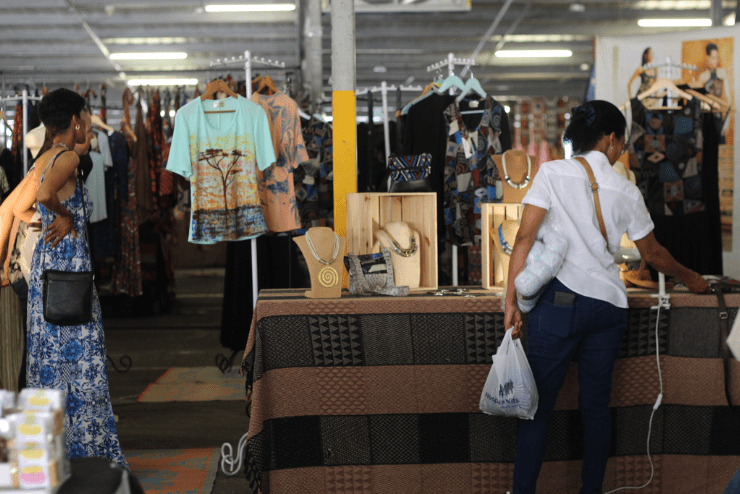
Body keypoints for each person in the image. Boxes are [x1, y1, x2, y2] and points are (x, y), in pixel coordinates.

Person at [504, 100, 710, 494]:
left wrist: (511, 301)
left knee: (536, 408)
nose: (621, 150)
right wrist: (691, 278)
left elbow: (524, 239)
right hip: (610, 308)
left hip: (560, 304)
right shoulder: (624, 188)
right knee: (595, 409)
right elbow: (652, 254)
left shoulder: (551, 173)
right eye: (621, 143)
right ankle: (591, 490)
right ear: (612, 139)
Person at [27, 88, 127, 468]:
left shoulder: (48, 156)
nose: (87, 122)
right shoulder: (66, 157)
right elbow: (44, 192)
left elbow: (28, 198)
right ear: (74, 121)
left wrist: (45, 214)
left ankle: (49, 456)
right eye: (84, 117)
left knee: (48, 366)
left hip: (48, 271)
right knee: (83, 364)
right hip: (69, 271)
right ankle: (90, 454)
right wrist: (63, 216)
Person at [696, 42, 733, 141]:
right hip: (706, 116)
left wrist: (727, 121)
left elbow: (728, 99)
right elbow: (699, 101)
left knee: (720, 144)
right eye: (713, 58)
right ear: (707, 57)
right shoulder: (702, 77)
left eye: (717, 57)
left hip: (719, 116)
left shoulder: (722, 73)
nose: (715, 61)